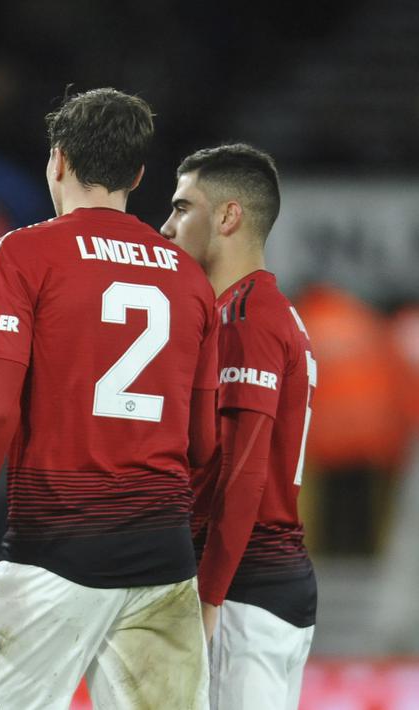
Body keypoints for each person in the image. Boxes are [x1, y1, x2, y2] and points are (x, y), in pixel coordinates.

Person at [0, 88, 219, 710]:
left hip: (54, 554)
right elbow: (205, 444)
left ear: (57, 161)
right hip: (162, 562)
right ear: (139, 175)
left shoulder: (24, 253)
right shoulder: (189, 278)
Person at [161, 143, 317, 710]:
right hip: (261, 579)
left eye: (182, 207)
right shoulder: (262, 310)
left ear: (228, 216)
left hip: (245, 584)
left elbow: (243, 472)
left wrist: (208, 597)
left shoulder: (245, 317)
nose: (167, 223)